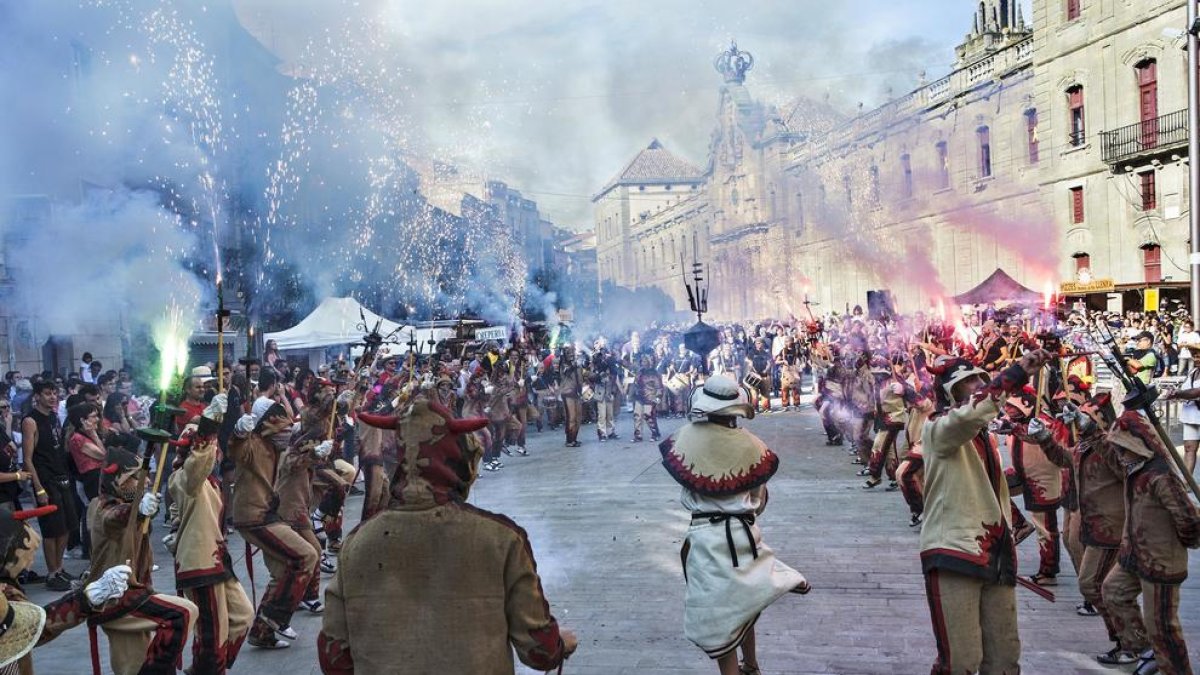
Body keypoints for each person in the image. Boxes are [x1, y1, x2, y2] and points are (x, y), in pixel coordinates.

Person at [320, 396, 577, 674]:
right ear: (456, 457)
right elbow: (540, 652)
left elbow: (334, 660)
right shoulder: (502, 539)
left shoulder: (356, 545)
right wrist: (560, 643)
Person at [659, 375, 809, 675]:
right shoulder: (753, 445)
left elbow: (686, 492)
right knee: (745, 605)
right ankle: (751, 665)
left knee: (720, 617)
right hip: (744, 537)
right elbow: (761, 500)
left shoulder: (682, 439)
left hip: (704, 541)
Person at [920, 349, 1050, 674]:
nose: (980, 384)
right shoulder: (939, 429)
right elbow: (971, 413)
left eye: (980, 378)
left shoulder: (985, 435)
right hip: (955, 550)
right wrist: (1017, 371)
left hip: (997, 556)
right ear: (951, 392)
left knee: (1005, 660)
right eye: (970, 381)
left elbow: (992, 486)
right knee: (960, 662)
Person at [1103, 390, 1200, 675]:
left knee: (1163, 627)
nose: (1119, 454)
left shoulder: (1160, 475)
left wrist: (1176, 546)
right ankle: (1147, 650)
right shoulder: (1135, 469)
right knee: (1113, 592)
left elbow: (1190, 519)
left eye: (1123, 447)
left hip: (1160, 561)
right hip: (1134, 556)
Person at [84, 446, 198, 675]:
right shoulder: (101, 507)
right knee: (182, 613)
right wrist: (136, 509)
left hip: (135, 592)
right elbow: (112, 518)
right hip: (116, 599)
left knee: (138, 661)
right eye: (133, 477)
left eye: (142, 476)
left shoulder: (119, 503)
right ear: (115, 480)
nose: (143, 482)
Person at [166, 393, 254, 675]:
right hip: (199, 563)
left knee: (242, 616)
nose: (216, 451)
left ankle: (205, 669)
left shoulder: (206, 480)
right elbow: (197, 466)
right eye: (211, 445)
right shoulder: (185, 477)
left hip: (216, 560)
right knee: (212, 634)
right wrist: (210, 423)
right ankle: (210, 668)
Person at [229, 396, 318, 649]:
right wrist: (237, 432)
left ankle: (261, 633)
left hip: (269, 515)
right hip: (254, 517)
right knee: (307, 555)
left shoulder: (277, 448)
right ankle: (276, 615)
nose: (286, 434)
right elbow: (236, 449)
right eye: (282, 430)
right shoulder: (253, 443)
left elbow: (299, 450)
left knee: (281, 574)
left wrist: (316, 455)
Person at [21, 381, 77, 591]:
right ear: (37, 396)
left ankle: (59, 568)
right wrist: (39, 488)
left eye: (55, 393)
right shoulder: (30, 421)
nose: (52, 397)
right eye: (47, 393)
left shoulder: (53, 417)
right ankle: (52, 573)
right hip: (45, 480)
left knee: (67, 526)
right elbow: (27, 459)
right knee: (52, 529)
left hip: (61, 476)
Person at [1165, 364, 1200, 474]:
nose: (1196, 358)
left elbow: (1196, 392)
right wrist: (1176, 392)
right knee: (1189, 448)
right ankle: (1187, 482)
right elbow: (1187, 389)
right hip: (1190, 415)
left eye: (1198, 355)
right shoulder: (1193, 371)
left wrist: (1177, 394)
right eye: (1194, 354)